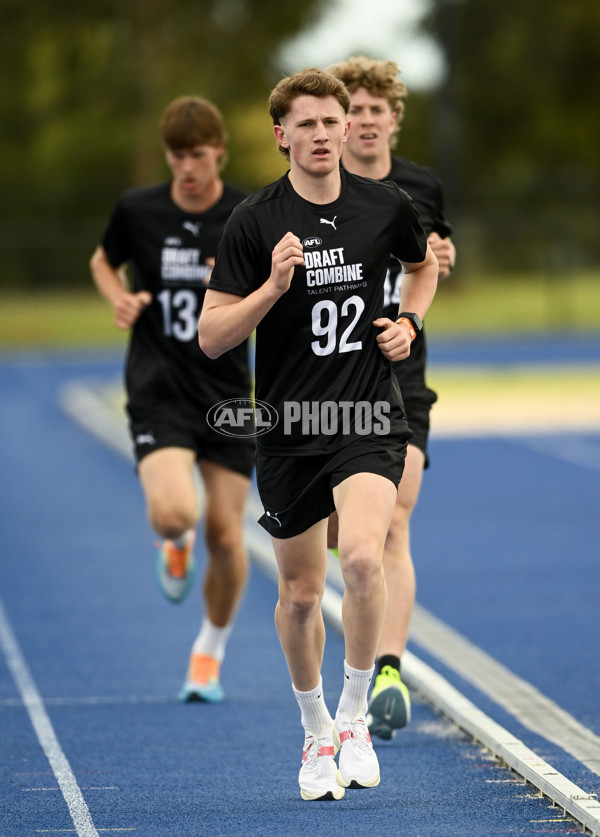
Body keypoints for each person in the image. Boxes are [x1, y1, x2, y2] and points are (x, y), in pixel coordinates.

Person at [198, 68, 438, 801]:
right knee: (302, 593)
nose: (325, 135)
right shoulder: (255, 221)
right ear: (282, 136)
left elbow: (422, 267)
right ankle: (315, 731)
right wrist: (270, 289)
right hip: (290, 427)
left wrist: (409, 323)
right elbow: (211, 337)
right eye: (307, 124)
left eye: (332, 122)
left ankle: (357, 715)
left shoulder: (384, 204)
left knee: (364, 558)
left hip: (368, 414)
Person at [90, 96, 254, 704]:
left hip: (228, 389)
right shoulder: (138, 209)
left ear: (219, 151)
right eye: (178, 156)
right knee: (176, 515)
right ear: (169, 156)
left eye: (199, 155)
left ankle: (208, 653)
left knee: (229, 536)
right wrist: (119, 297)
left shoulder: (247, 212)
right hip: (159, 385)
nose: (188, 167)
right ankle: (175, 543)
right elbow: (104, 261)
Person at [326, 55, 456, 740]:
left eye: (380, 109)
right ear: (339, 121)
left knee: (394, 522)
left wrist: (437, 267)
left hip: (400, 377)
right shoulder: (319, 189)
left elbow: (433, 256)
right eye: (357, 109)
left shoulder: (421, 186)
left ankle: (387, 668)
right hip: (327, 382)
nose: (368, 119)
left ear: (394, 118)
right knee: (346, 540)